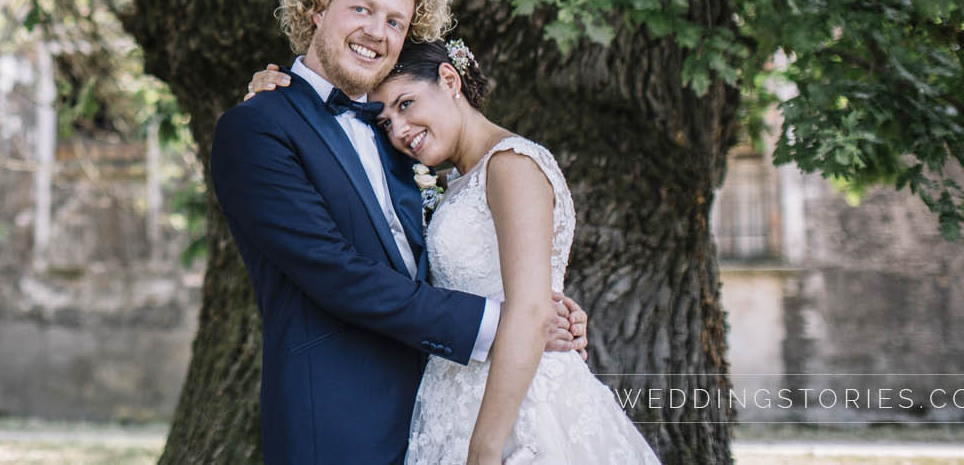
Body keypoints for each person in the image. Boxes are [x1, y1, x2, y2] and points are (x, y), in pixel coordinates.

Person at [210, 0, 588, 465]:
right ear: (317, 8)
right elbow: (336, 272)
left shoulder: (395, 138)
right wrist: (504, 322)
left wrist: (537, 309)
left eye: (395, 21)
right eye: (361, 9)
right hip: (336, 421)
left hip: (434, 409)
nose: (376, 31)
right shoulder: (257, 127)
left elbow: (425, 265)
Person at [246, 37, 661, 465]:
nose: (400, 130)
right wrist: (280, 97)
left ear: (449, 79)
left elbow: (531, 311)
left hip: (514, 409)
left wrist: (484, 450)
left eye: (405, 104)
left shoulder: (512, 165)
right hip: (449, 402)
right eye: (385, 122)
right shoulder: (445, 184)